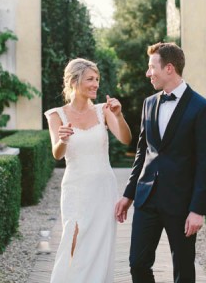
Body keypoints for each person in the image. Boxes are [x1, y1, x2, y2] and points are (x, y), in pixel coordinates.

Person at [115, 42, 206, 283]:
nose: (148, 73)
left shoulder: (203, 108)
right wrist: (128, 194)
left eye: (152, 67)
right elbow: (142, 153)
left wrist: (198, 210)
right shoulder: (149, 103)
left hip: (181, 203)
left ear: (169, 68)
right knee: (137, 264)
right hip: (146, 198)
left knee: (183, 270)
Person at [45, 58, 132, 283]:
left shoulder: (104, 110)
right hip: (75, 188)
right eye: (90, 79)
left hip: (104, 187)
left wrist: (119, 115)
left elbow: (125, 139)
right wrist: (63, 139)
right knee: (73, 241)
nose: (95, 84)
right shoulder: (56, 115)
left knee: (100, 245)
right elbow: (57, 153)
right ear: (75, 81)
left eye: (97, 80)